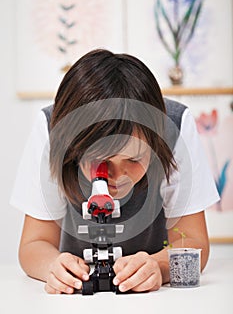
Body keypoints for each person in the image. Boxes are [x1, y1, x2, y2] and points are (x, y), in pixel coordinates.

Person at [10, 49, 219, 294]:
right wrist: (53, 268)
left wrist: (159, 267)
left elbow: (194, 242)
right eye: (100, 160)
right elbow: (34, 243)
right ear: (74, 149)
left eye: (133, 159)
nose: (118, 176)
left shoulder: (175, 125)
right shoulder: (52, 129)